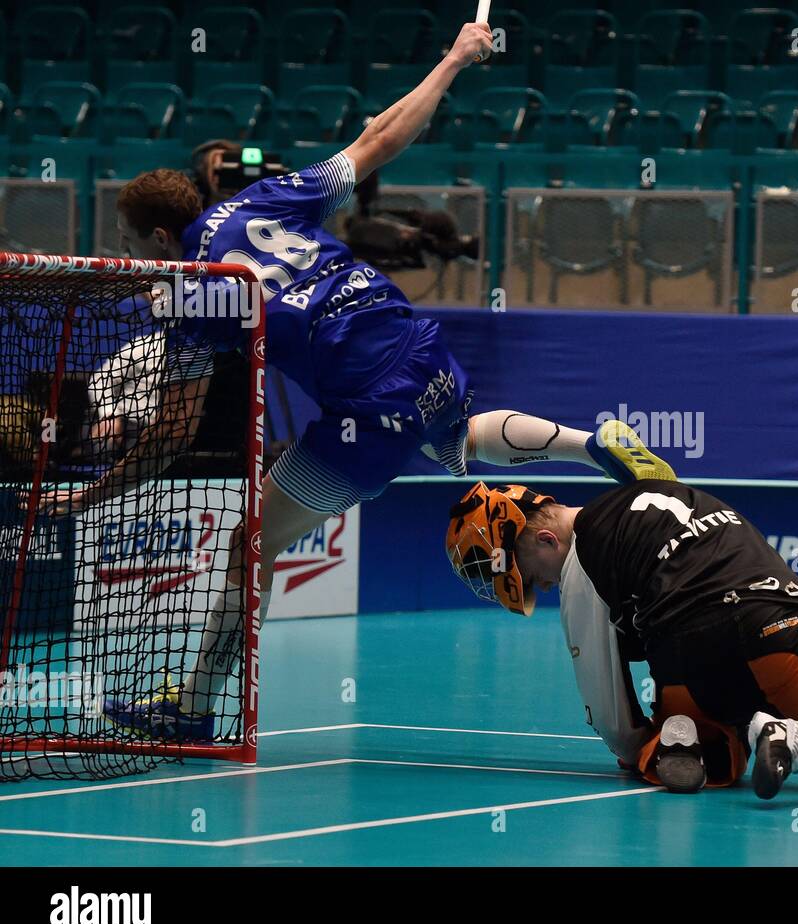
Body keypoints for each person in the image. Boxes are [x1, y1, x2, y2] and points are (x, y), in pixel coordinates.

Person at [40, 22, 676, 741]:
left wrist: (91, 493)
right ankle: (591, 442)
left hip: (366, 408)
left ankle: (191, 706)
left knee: (254, 540)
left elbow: (171, 436)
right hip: (417, 342)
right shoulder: (260, 200)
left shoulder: (189, 292)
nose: (134, 259)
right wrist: (455, 58)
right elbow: (378, 140)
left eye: (130, 247)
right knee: (453, 439)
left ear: (160, 241)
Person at [446, 479, 798, 802]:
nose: (547, 586)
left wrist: (640, 749)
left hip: (689, 664)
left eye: (537, 575)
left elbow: (610, 716)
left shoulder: (584, 556)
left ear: (545, 537)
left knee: (689, 737)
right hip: (783, 628)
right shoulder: (659, 496)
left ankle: (694, 736)